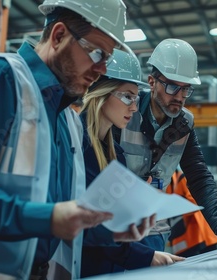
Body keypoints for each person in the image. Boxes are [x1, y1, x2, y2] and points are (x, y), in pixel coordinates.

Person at [0, 1, 154, 279]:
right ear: (59, 36)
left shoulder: (67, 120)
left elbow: (60, 212)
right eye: (96, 53)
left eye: (106, 58)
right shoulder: (0, 77)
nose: (100, 69)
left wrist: (111, 230)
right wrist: (46, 219)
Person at [115, 38, 217, 252]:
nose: (180, 97)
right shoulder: (125, 112)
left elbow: (200, 178)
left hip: (153, 231)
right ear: (152, 82)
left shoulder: (184, 124)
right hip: (114, 227)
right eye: (173, 86)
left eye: (186, 89)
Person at [79, 49, 184, 278]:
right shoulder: (79, 144)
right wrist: (146, 256)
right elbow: (87, 227)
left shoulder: (115, 152)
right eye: (127, 97)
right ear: (101, 92)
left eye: (136, 98)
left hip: (109, 267)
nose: (134, 107)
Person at [166, 169, 217, 257]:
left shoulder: (182, 179)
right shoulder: (171, 182)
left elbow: (195, 202)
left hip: (197, 237)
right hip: (185, 239)